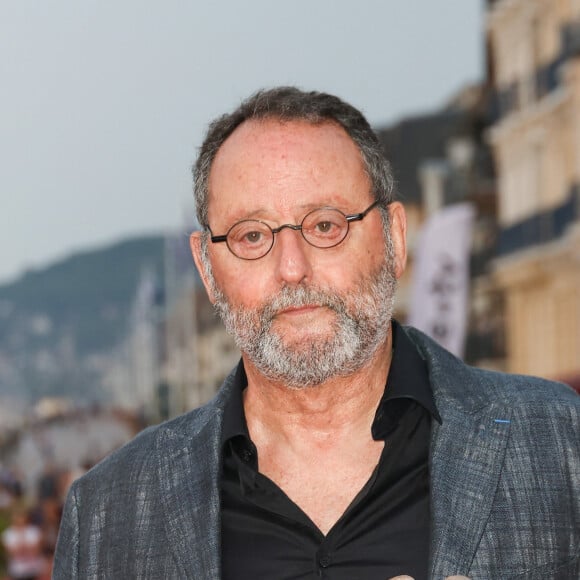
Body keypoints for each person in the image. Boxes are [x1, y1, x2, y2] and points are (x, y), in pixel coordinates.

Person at [52, 87, 580, 579]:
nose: (292, 268)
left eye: (325, 225)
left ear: (394, 238)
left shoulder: (560, 442)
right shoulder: (107, 513)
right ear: (207, 269)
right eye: (252, 235)